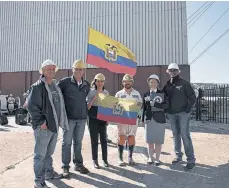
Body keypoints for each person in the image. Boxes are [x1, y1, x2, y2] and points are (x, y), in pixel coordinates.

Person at [27, 59, 69, 188]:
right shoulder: (37, 86)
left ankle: (48, 173)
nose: (51, 71)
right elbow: (31, 106)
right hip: (43, 127)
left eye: (53, 69)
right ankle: (38, 181)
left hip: (54, 125)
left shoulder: (55, 86)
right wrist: (41, 123)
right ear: (43, 71)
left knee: (48, 154)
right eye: (48, 69)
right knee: (40, 155)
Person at [58, 60, 90, 177]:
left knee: (78, 142)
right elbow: (56, 95)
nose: (78, 71)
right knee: (66, 142)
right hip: (69, 119)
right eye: (76, 69)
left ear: (83, 71)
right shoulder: (64, 83)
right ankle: (65, 166)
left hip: (82, 119)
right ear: (72, 69)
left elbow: (85, 99)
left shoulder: (86, 84)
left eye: (80, 69)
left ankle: (78, 164)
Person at [163, 63, 196, 170]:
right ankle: (178, 156)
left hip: (183, 114)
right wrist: (166, 111)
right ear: (168, 72)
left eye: (175, 70)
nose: (173, 72)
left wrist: (187, 110)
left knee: (185, 135)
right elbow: (163, 99)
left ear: (178, 71)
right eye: (170, 70)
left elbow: (192, 97)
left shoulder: (184, 83)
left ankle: (190, 159)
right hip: (171, 114)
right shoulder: (167, 85)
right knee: (175, 135)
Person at [115, 74, 142, 166]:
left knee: (131, 137)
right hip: (122, 119)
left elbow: (140, 105)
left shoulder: (136, 93)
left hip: (133, 119)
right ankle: (120, 158)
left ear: (132, 82)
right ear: (123, 82)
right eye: (125, 81)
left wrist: (137, 105)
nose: (127, 83)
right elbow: (115, 106)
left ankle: (130, 158)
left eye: (129, 81)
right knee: (121, 137)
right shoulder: (119, 94)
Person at [142, 74, 169, 166]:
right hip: (149, 120)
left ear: (158, 83)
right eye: (151, 82)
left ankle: (157, 159)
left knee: (158, 140)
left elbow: (166, 106)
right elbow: (144, 108)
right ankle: (150, 157)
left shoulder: (162, 94)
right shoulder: (145, 94)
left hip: (159, 120)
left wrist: (156, 104)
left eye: (155, 82)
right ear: (149, 83)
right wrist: (142, 120)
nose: (153, 84)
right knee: (149, 141)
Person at [87, 73, 109, 169]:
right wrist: (94, 98)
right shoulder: (91, 92)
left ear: (104, 82)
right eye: (98, 81)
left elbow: (108, 107)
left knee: (104, 140)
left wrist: (107, 119)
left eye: (101, 81)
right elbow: (87, 107)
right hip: (93, 117)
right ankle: (95, 160)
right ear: (95, 82)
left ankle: (105, 159)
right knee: (94, 140)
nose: (99, 83)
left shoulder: (106, 93)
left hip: (103, 118)